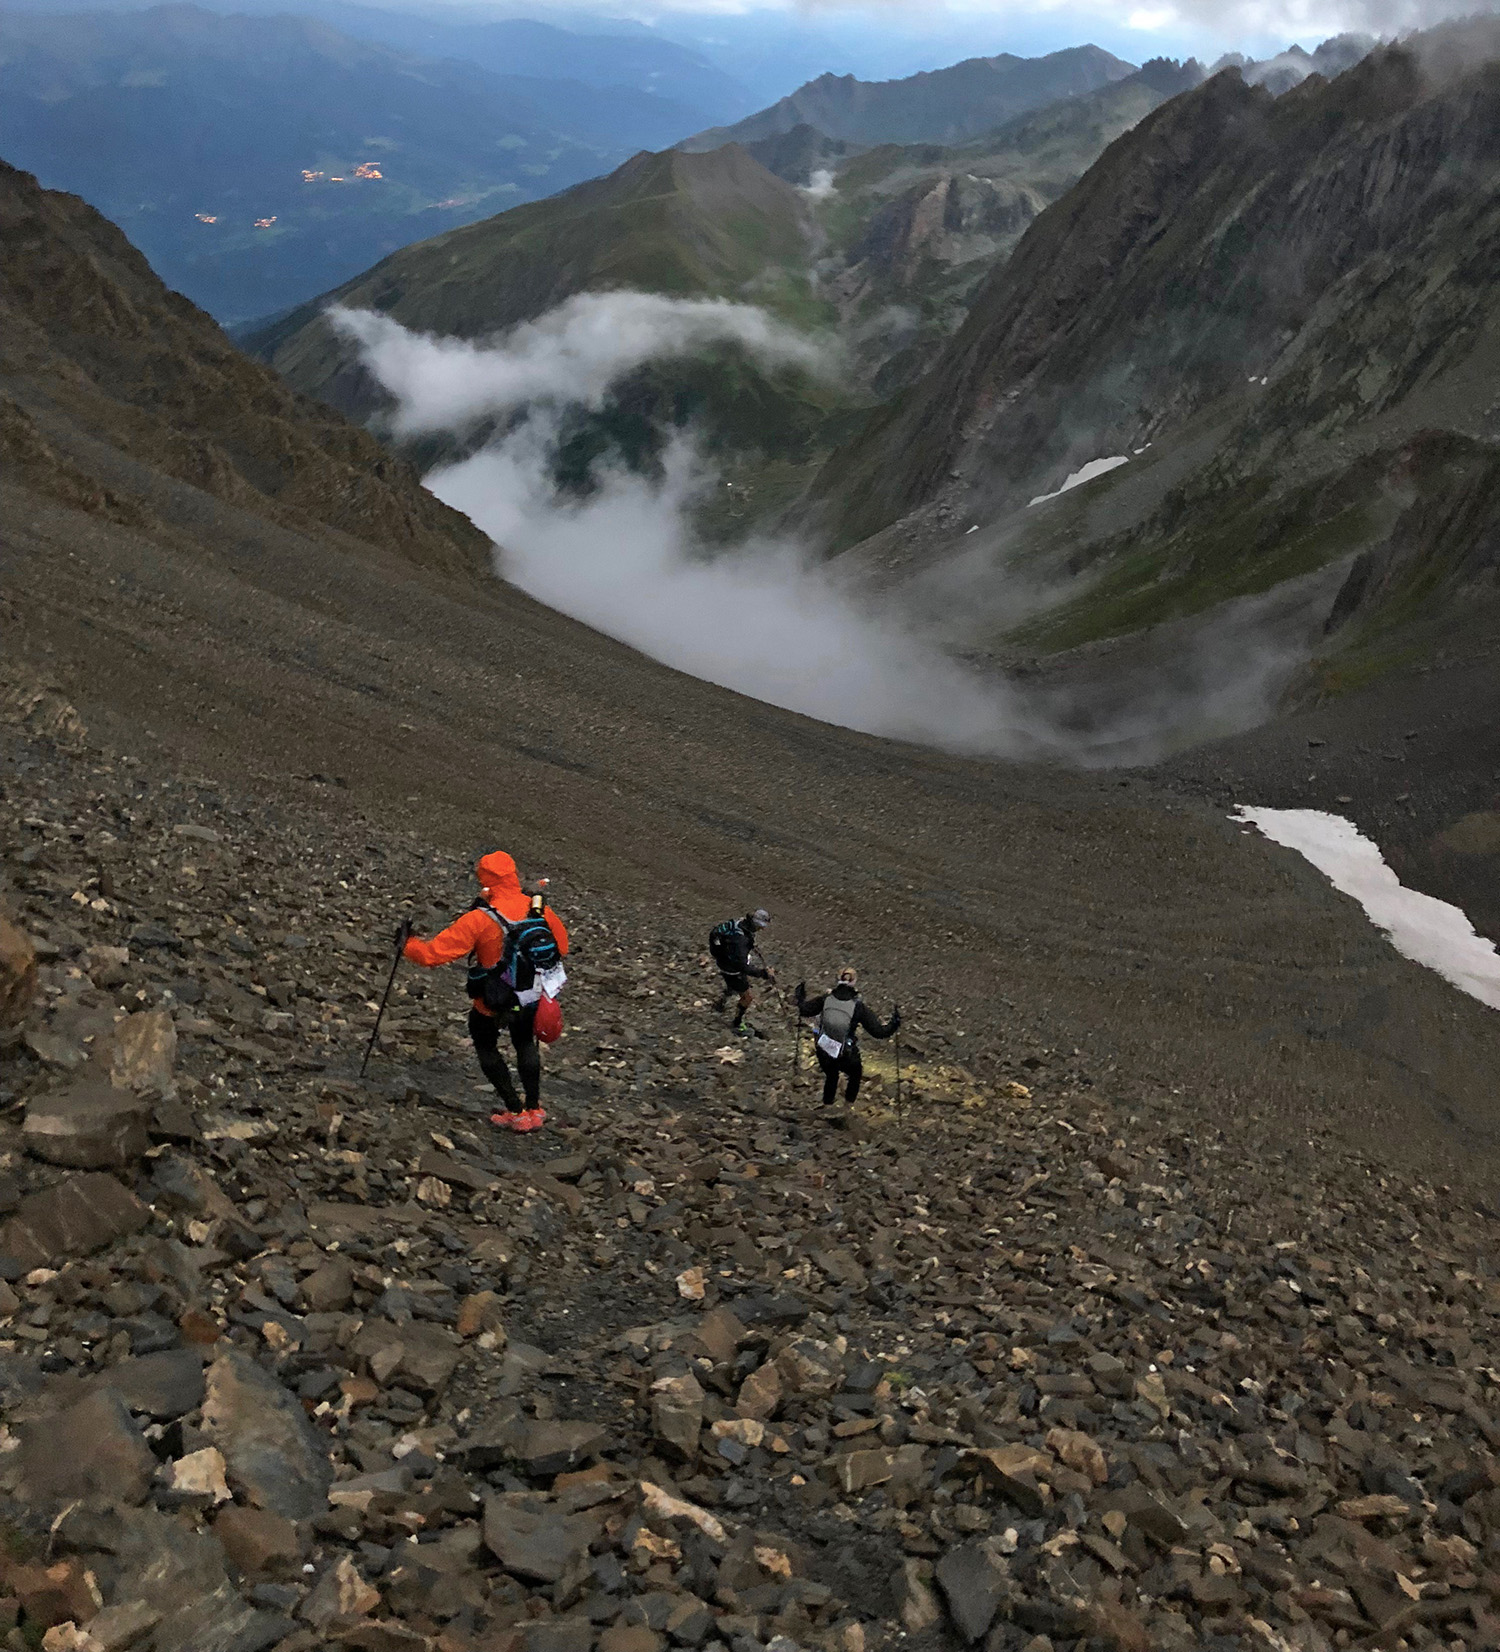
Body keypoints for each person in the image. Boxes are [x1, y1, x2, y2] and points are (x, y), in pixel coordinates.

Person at [400, 852, 568, 1132]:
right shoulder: (538, 909)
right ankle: (535, 1109)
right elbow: (560, 947)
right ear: (514, 874)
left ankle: (515, 1111)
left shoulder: (478, 919)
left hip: (493, 998)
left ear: (485, 879)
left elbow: (433, 955)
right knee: (525, 1044)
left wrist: (407, 945)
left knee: (486, 1046)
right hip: (529, 994)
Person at [795, 968, 899, 1108]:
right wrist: (895, 1023)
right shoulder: (857, 1006)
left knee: (831, 1076)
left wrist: (800, 995)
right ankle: (847, 1107)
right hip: (845, 1053)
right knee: (856, 1073)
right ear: (854, 982)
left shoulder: (826, 999)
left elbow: (804, 1010)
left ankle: (827, 1106)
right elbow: (879, 1032)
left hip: (823, 1049)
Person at [708, 908, 774, 1037]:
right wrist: (763, 973)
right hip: (731, 969)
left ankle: (721, 1003)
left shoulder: (740, 923)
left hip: (724, 960)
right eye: (760, 926)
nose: (762, 929)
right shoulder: (740, 941)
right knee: (747, 997)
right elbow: (742, 966)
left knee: (732, 986)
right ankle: (737, 1024)